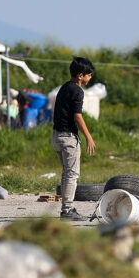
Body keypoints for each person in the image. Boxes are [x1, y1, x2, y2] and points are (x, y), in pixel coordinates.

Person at [52, 56, 96, 220]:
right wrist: (88, 137)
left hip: (56, 136)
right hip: (68, 138)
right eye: (89, 75)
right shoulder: (77, 91)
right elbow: (77, 116)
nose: (90, 77)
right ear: (80, 75)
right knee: (72, 175)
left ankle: (67, 208)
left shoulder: (64, 87)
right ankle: (67, 210)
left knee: (67, 174)